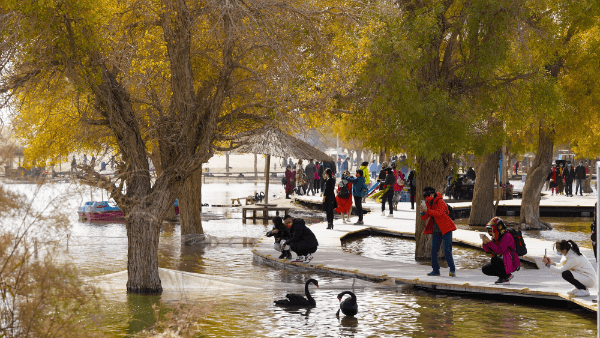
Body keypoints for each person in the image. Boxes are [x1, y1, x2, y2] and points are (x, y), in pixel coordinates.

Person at [420, 186, 457, 277]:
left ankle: (452, 270)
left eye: (427, 196)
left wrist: (428, 210)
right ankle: (436, 270)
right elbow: (425, 218)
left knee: (447, 251)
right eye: (425, 197)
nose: (426, 198)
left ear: (432, 194)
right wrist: (422, 212)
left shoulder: (441, 202)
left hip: (446, 228)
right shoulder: (428, 203)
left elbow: (438, 213)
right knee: (433, 251)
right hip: (436, 230)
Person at [481, 217, 520, 284]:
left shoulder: (507, 236)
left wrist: (490, 243)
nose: (490, 232)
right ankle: (505, 276)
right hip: (503, 260)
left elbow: (499, 251)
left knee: (494, 260)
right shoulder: (497, 236)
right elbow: (489, 250)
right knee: (485, 269)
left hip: (510, 261)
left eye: (491, 229)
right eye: (489, 230)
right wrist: (485, 243)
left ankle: (504, 277)